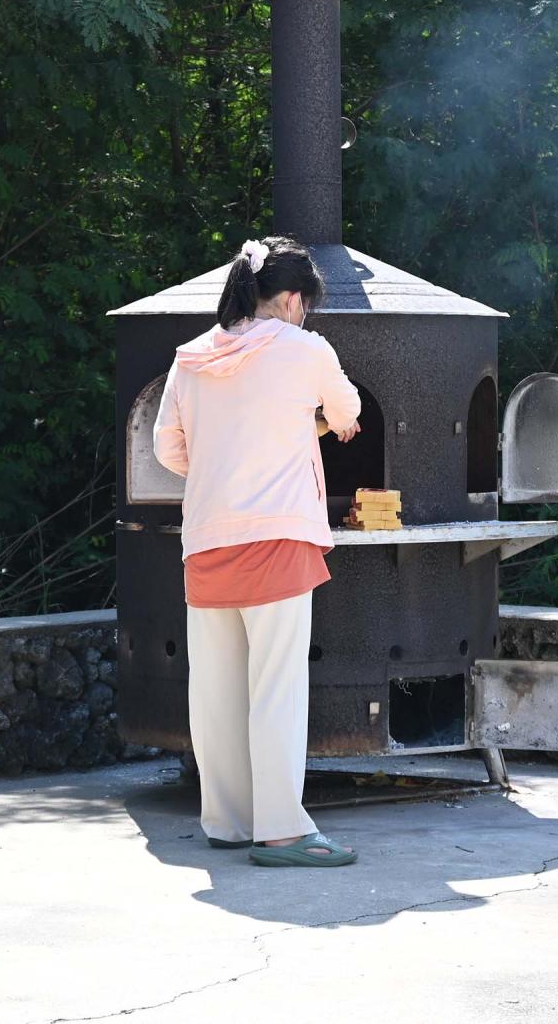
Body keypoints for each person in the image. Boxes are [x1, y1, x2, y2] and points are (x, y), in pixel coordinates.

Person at [152, 236, 363, 868]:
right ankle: (282, 832)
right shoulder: (305, 349)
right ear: (294, 299)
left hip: (207, 538)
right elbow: (347, 410)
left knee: (216, 689)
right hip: (277, 539)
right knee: (276, 687)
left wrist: (225, 462)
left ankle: (228, 822)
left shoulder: (191, 357)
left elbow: (168, 449)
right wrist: (315, 425)